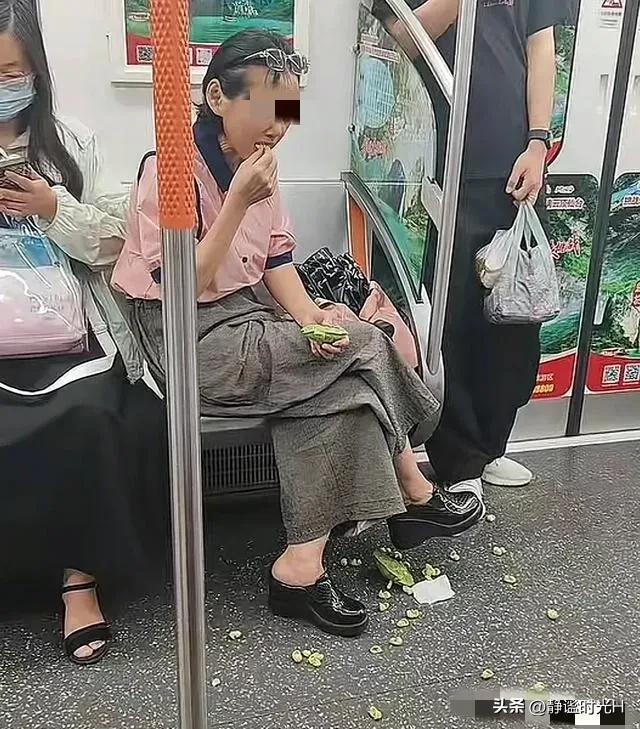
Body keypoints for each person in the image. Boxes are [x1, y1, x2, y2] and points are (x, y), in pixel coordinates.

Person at [112, 30, 483, 638]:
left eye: (288, 112)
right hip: (184, 336)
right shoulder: (170, 170)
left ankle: (300, 567)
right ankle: (414, 487)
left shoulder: (259, 164)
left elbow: (277, 259)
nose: (278, 127)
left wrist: (310, 317)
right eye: (266, 108)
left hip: (246, 315)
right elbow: (181, 288)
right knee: (367, 342)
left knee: (346, 387)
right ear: (217, 98)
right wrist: (236, 202)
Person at [0, 0, 168, 666]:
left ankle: (80, 580)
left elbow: (118, 242)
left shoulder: (70, 143)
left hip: (71, 328)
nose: (2, 85)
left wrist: (53, 208)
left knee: (90, 414)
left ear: (36, 71)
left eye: (11, 71)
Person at [386, 0, 568, 496]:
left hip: (514, 162)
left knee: (515, 318)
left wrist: (538, 142)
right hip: (443, 161)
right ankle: (459, 459)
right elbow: (400, 37)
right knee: (457, 318)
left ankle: (492, 445)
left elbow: (541, 46)